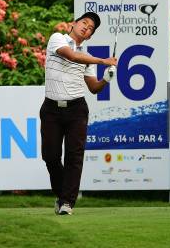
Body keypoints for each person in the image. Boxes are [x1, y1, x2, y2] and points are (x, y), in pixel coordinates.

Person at [40, 11, 116, 215]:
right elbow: (71, 55)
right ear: (73, 24)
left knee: (74, 156)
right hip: (51, 109)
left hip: (76, 110)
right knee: (50, 155)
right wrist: (103, 61)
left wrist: (106, 79)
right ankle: (61, 194)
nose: (86, 27)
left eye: (91, 28)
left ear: (90, 36)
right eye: (84, 23)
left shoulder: (88, 58)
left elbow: (93, 87)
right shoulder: (57, 38)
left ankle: (67, 203)